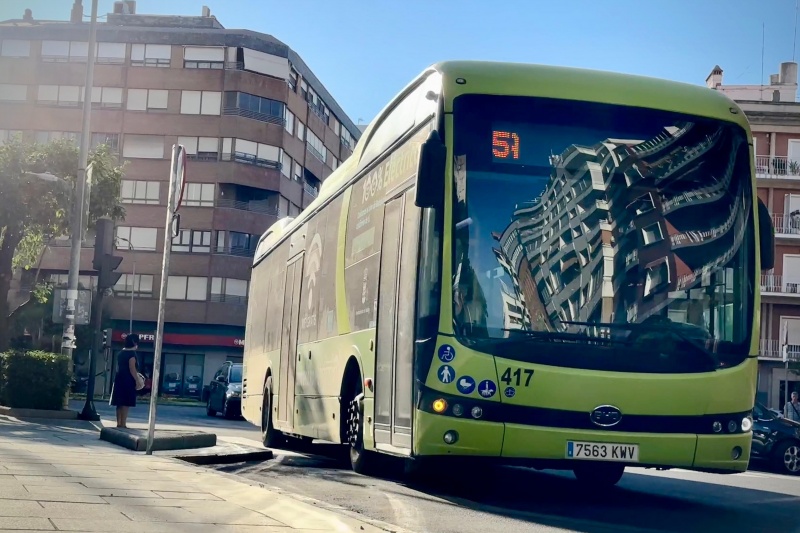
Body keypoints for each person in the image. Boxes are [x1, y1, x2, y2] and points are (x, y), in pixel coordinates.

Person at [110, 333, 141, 428]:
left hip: (119, 378)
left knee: (119, 403)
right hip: (128, 380)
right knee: (125, 403)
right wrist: (137, 380)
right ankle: (123, 423)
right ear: (135, 343)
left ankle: (118, 423)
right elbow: (132, 368)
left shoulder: (121, 353)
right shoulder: (131, 354)